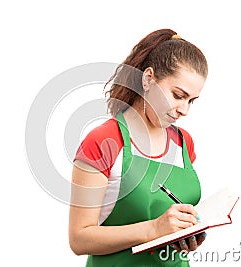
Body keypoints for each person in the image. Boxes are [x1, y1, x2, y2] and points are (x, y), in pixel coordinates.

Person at [69, 28, 209, 266]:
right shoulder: (104, 141)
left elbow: (170, 222)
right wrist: (155, 228)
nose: (184, 110)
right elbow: (79, 238)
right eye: (178, 95)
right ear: (148, 78)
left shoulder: (183, 142)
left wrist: (185, 233)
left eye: (191, 100)